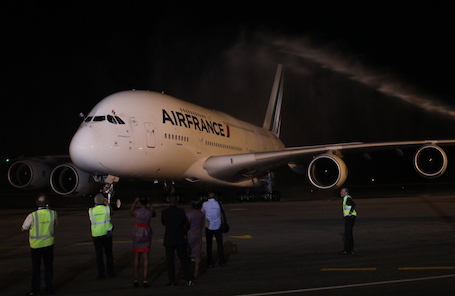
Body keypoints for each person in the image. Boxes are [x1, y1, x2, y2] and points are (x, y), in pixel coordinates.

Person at [21, 194, 58, 296]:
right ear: (48, 203)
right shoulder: (53, 214)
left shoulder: (32, 215)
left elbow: (23, 228)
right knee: (49, 267)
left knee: (36, 269)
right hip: (49, 244)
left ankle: (36, 290)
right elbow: (55, 223)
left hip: (36, 246)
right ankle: (49, 289)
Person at [161, 195, 193, 286]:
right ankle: (188, 279)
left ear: (168, 201)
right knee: (183, 260)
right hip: (179, 237)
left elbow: (164, 223)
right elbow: (185, 223)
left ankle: (172, 280)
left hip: (169, 238)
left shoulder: (165, 212)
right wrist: (183, 231)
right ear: (177, 201)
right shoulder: (181, 211)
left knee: (170, 261)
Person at [129, 196, 156, 288]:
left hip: (137, 232)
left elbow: (131, 212)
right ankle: (145, 279)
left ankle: (136, 278)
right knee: (146, 257)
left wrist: (135, 202)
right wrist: (150, 204)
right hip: (146, 232)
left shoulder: (137, 212)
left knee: (137, 257)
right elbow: (154, 213)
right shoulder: (149, 212)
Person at [89, 193, 114, 278]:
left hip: (96, 234)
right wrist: (107, 203)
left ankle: (101, 273)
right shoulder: (107, 209)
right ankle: (111, 272)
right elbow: (111, 212)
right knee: (109, 254)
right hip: (107, 233)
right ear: (103, 200)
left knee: (99, 255)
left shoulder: (91, 210)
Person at [201, 192, 225, 267]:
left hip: (209, 226)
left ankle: (210, 262)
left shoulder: (205, 204)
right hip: (218, 225)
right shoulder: (219, 203)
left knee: (209, 245)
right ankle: (221, 261)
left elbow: (202, 212)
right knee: (220, 244)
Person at [186, 199, 205, 280]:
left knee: (188, 253)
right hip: (198, 234)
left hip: (190, 234)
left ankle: (188, 272)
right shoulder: (201, 214)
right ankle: (196, 273)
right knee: (197, 254)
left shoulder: (189, 215)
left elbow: (186, 225)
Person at [339, 188, 357, 255]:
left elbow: (353, 204)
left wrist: (350, 211)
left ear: (346, 193)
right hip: (350, 217)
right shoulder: (346, 198)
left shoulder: (347, 198)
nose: (341, 193)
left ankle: (347, 250)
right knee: (349, 234)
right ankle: (350, 250)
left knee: (347, 235)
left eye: (342, 192)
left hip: (350, 217)